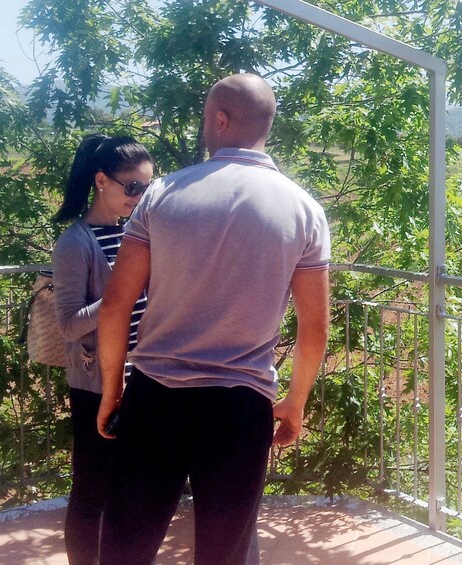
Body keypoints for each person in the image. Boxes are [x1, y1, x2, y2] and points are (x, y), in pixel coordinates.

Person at [94, 73, 331, 564]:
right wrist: (294, 402)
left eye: (207, 118)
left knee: (126, 544)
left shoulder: (161, 195)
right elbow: (315, 329)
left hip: (156, 395)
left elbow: (116, 306)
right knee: (225, 552)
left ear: (220, 119)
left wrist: (114, 391)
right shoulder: (304, 210)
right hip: (241, 406)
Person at [51, 133, 153, 565]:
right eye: (132, 187)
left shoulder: (136, 233)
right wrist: (116, 296)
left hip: (141, 381)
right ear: (101, 181)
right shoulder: (75, 244)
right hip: (95, 385)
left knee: (133, 491)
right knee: (92, 490)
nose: (140, 196)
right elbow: (69, 325)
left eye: (147, 188)